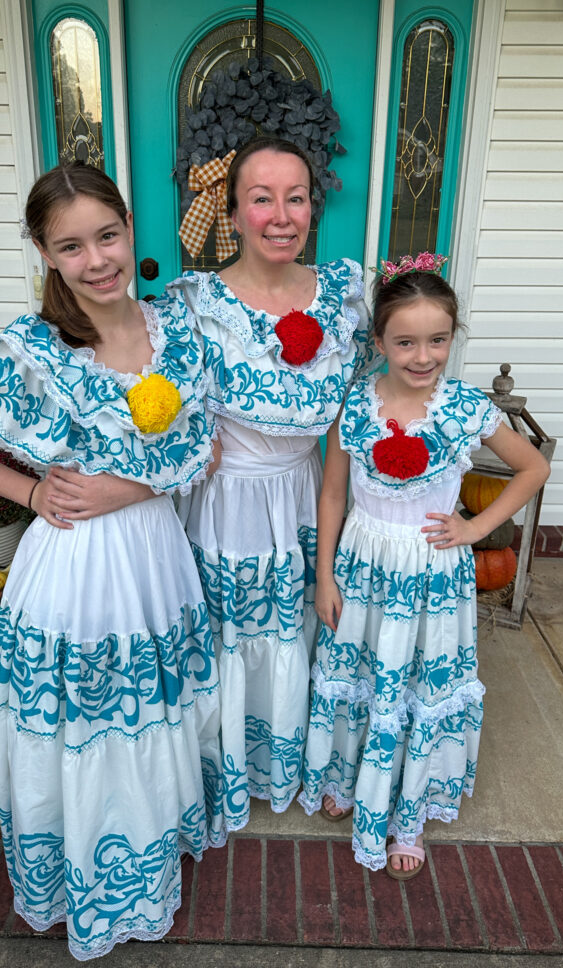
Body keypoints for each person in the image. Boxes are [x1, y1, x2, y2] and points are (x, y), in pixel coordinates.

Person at [0, 162, 226, 960]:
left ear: (129, 229)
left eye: (108, 236)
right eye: (72, 245)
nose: (97, 260)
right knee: (90, 725)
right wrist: (28, 495)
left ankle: (147, 856)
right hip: (78, 566)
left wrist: (132, 486)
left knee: (149, 712)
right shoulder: (33, 347)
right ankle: (86, 880)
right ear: (47, 254)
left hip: (156, 559)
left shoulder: (174, 331)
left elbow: (202, 443)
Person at [298, 254, 550, 879]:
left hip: (431, 573)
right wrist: (325, 575)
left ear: (453, 337)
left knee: (412, 684)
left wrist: (474, 528)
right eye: (405, 341)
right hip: (362, 563)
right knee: (358, 670)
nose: (422, 355)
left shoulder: (467, 409)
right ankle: (347, 778)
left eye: (437, 339)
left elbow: (533, 468)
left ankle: (406, 816)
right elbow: (333, 492)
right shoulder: (352, 405)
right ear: (379, 340)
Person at [168, 137, 373, 831]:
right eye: (262, 199)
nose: (281, 215)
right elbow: (151, 405)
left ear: (314, 208)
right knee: (229, 634)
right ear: (232, 213)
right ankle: (223, 766)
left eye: (296, 197)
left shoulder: (347, 297)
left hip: (303, 491)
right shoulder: (193, 305)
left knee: (293, 631)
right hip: (224, 503)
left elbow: (368, 405)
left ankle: (282, 760)